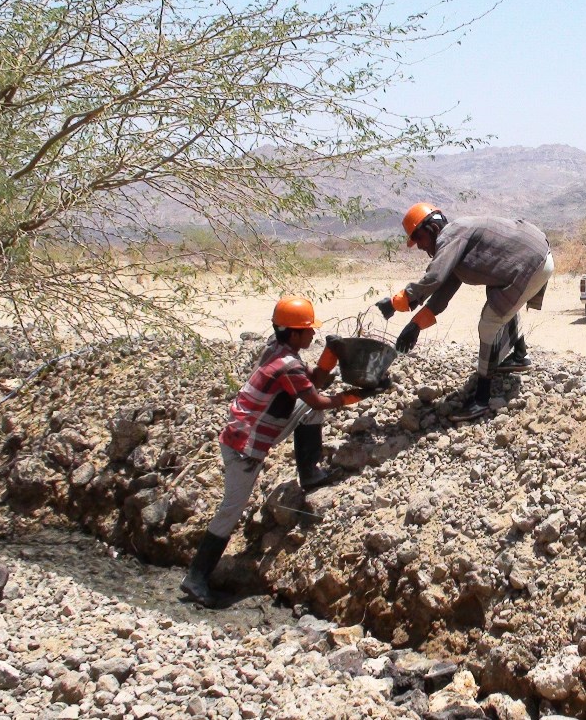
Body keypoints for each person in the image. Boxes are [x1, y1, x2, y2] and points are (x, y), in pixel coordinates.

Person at [180, 296, 382, 607]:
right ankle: (196, 578)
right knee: (230, 510)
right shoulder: (288, 363)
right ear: (294, 333)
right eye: (308, 331)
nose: (312, 335)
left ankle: (310, 474)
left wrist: (331, 355)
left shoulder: (276, 350)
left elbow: (310, 386)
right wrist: (352, 397)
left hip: (246, 432)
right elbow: (315, 397)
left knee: (310, 412)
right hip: (245, 445)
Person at [376, 203, 555, 421]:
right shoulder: (456, 242)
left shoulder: (451, 236)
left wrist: (398, 302)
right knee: (501, 302)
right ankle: (519, 356)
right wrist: (415, 325)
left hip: (531, 262)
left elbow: (434, 278)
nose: (421, 247)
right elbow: (443, 292)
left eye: (419, 239)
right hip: (534, 257)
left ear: (432, 228)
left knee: (488, 324)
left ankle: (481, 400)